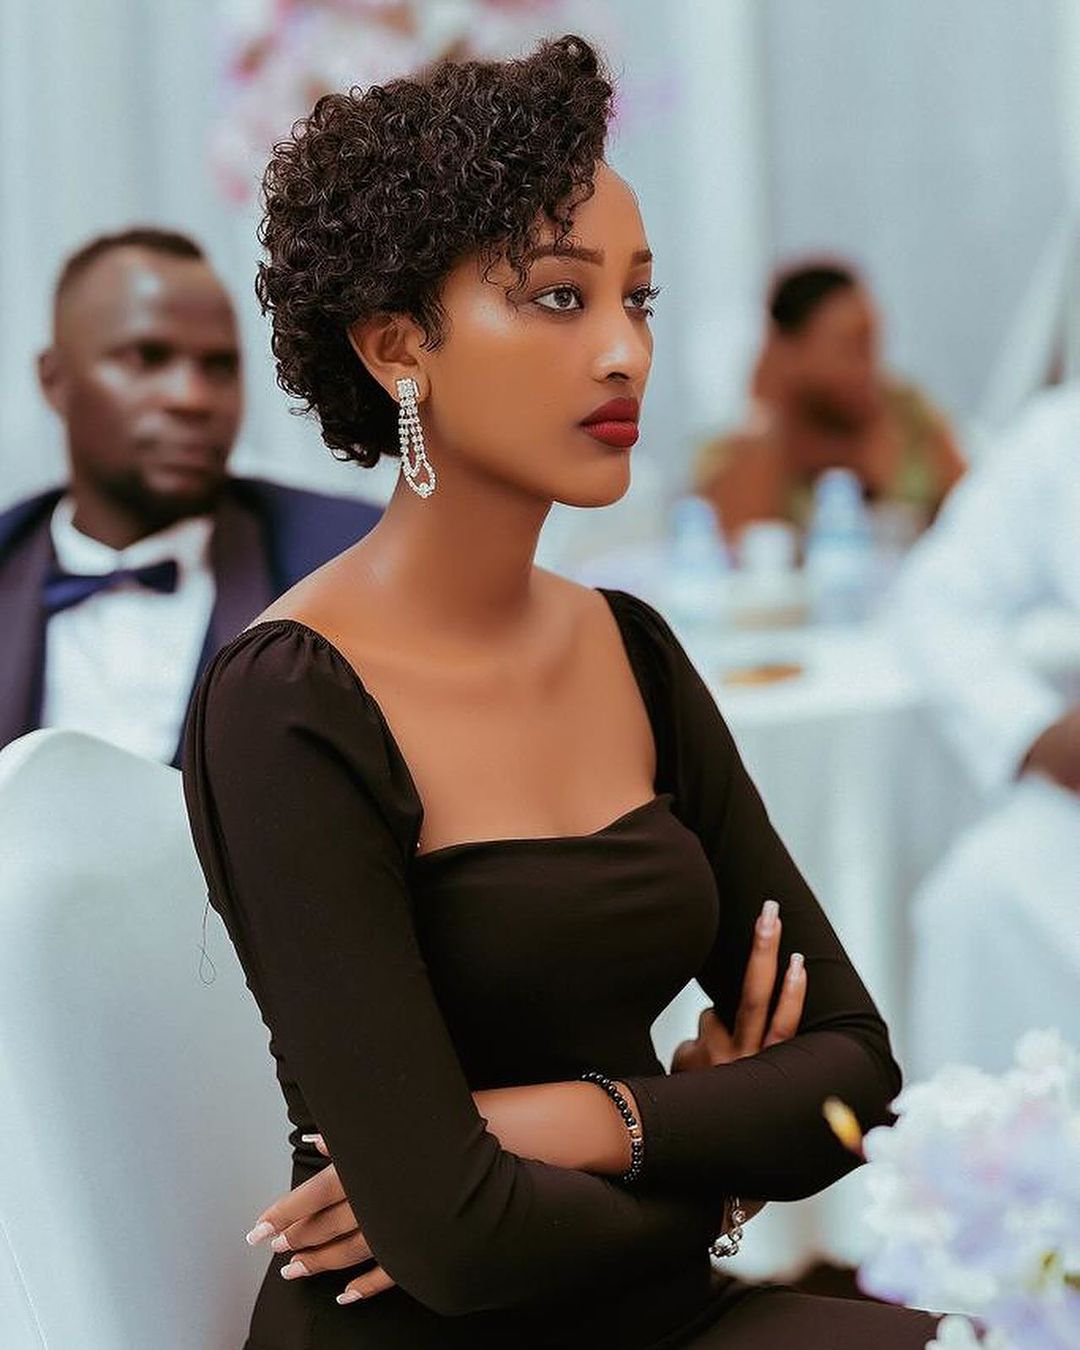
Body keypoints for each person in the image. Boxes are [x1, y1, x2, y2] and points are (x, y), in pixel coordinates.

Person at [182, 36, 951, 1348]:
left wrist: (576, 1121)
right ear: (397, 346)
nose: (622, 352)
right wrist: (716, 1153)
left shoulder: (629, 649)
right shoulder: (289, 701)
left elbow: (851, 1083)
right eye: (556, 297)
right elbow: (452, 1238)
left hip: (663, 1309)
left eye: (638, 299)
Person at [0, 227, 381, 766]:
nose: (193, 398)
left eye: (220, 366)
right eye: (148, 357)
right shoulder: (10, 554)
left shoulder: (350, 560)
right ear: (55, 380)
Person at [891, 383, 1080, 1077]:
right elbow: (937, 596)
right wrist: (1032, 731)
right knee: (975, 897)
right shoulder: (1063, 436)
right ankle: (986, 1143)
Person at [693, 261, 965, 550]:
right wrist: (767, 424)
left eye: (872, 344)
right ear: (788, 352)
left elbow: (972, 515)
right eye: (850, 347)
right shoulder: (737, 452)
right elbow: (742, 546)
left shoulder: (910, 418)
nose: (869, 367)